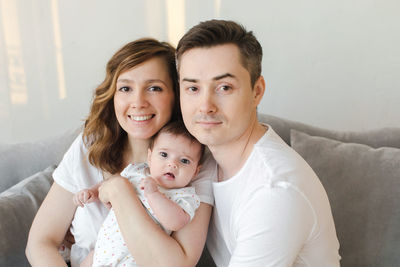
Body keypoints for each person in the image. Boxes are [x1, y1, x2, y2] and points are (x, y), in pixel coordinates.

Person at [26, 38, 216, 267]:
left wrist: (118, 191)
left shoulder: (193, 161)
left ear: (175, 95)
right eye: (125, 88)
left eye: (154, 88)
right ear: (113, 95)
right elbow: (41, 242)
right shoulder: (91, 144)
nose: (138, 102)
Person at [176, 19, 341, 266]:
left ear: (257, 91)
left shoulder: (275, 191)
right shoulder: (203, 162)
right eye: (192, 88)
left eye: (224, 87)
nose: (206, 106)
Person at [74, 121, 204, 267]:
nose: (172, 164)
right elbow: (112, 183)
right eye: (164, 154)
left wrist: (154, 194)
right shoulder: (136, 171)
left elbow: (176, 223)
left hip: (134, 258)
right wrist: (92, 191)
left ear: (195, 172)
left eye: (184, 161)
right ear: (149, 157)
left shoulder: (185, 196)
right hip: (103, 250)